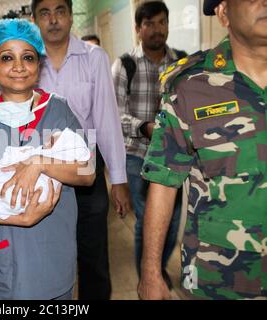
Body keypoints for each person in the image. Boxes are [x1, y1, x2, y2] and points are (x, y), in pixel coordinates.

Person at [0, 18, 96, 299]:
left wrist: (39, 162)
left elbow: (88, 174)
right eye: (7, 58)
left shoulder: (61, 110)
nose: (18, 66)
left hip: (51, 257)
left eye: (28, 57)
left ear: (38, 66)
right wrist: (21, 219)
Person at [138, 0, 267, 300]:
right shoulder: (191, 86)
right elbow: (163, 182)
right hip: (221, 278)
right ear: (223, 13)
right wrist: (151, 271)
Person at [31, 0, 131, 300]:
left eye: (60, 11)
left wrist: (119, 179)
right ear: (35, 19)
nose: (53, 20)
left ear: (71, 16)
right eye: (44, 13)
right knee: (49, 253)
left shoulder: (94, 57)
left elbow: (107, 120)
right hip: (42, 167)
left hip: (86, 161)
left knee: (93, 254)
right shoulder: (29, 60)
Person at [111, 1, 186, 281]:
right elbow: (114, 115)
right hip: (137, 155)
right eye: (150, 24)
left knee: (173, 220)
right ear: (138, 29)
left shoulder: (182, 63)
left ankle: (158, 268)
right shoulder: (125, 65)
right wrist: (145, 127)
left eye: (162, 22)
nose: (157, 30)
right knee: (148, 221)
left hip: (173, 158)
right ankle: (149, 276)